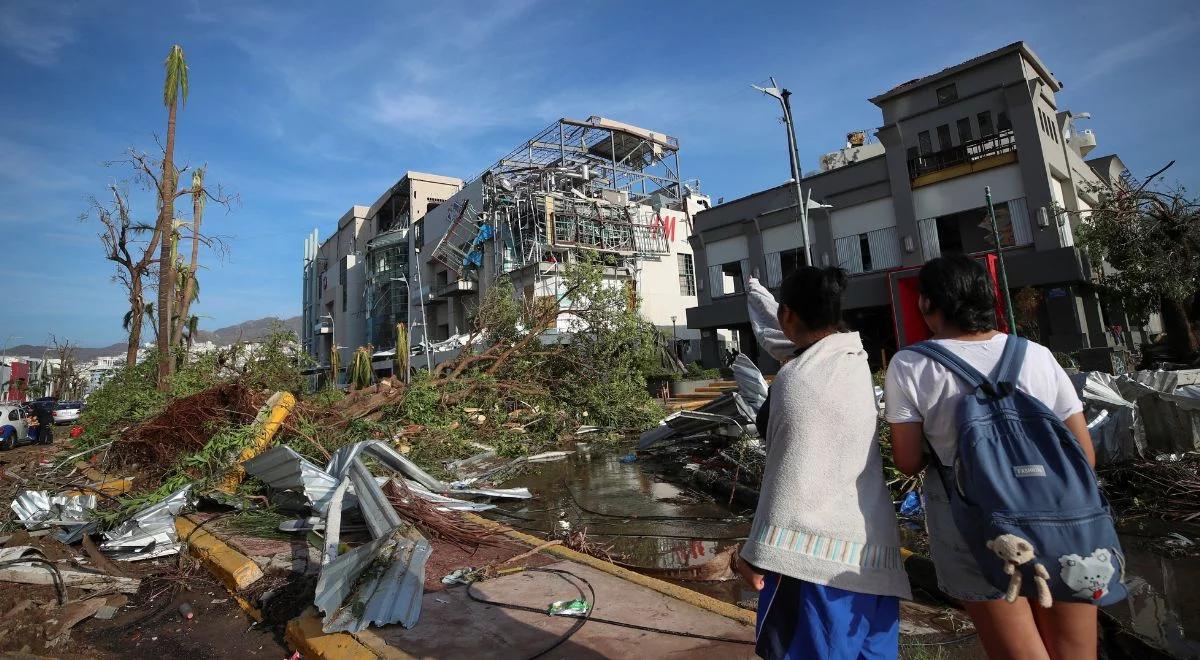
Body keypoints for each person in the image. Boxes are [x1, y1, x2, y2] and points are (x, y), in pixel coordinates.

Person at [885, 255, 1098, 660]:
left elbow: (908, 461)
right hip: (1060, 516)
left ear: (928, 303)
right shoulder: (1037, 355)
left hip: (973, 523)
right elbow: (1083, 455)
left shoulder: (911, 365)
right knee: (1075, 652)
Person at [735, 266, 910, 660]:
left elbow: (787, 472)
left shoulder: (795, 379)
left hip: (813, 565)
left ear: (787, 316)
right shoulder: (854, 360)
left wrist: (755, 548)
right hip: (871, 556)